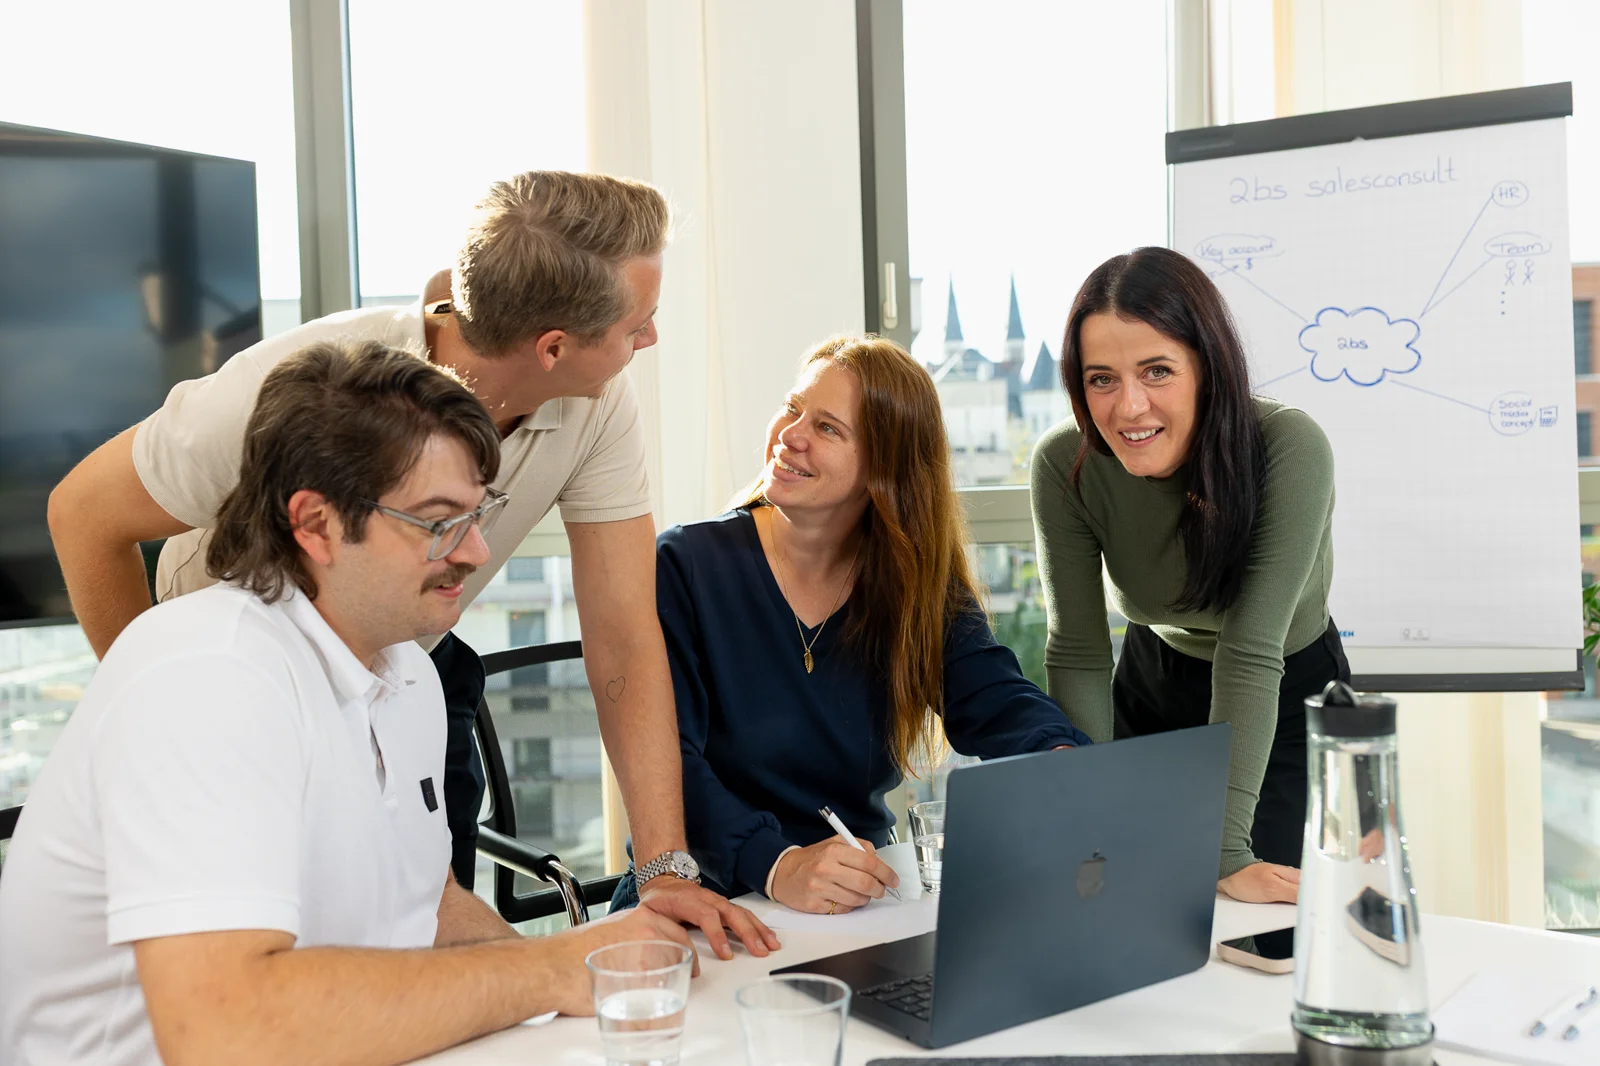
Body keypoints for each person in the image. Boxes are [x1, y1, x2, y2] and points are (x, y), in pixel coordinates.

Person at [45, 171, 775, 956]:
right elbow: (82, 514)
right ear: (553, 346)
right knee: (293, 955)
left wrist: (663, 867)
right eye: (640, 324)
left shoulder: (594, 404)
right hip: (239, 686)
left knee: (424, 939)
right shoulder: (296, 393)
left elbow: (626, 635)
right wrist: (160, 711)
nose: (650, 340)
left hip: (402, 666)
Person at [0, 342, 701, 1066]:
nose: (475, 551)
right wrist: (553, 968)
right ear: (315, 524)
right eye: (438, 522)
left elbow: (428, 907)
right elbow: (221, 1033)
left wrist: (594, 978)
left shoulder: (409, 676)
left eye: (477, 513)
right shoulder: (210, 672)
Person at [619, 335, 1090, 915]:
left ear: (883, 473)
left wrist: (1060, 756)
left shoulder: (916, 584)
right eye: (793, 408)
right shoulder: (686, 566)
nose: (790, 436)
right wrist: (775, 863)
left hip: (855, 891)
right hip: (705, 888)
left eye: (827, 428)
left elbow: (994, 698)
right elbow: (665, 764)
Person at [1031, 246, 1348, 905]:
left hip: (1284, 688)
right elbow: (1080, 651)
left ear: (1207, 367)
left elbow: (1250, 651)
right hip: (1155, 678)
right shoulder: (1066, 464)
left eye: (1156, 371)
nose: (1129, 408)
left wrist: (1226, 853)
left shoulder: (1290, 449)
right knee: (1128, 896)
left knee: (1264, 928)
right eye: (1102, 379)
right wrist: (1082, 807)